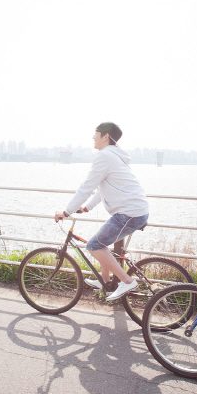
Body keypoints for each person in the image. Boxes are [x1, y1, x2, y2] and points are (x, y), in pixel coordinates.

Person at [55, 122, 149, 301]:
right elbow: (103, 188)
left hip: (129, 214)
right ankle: (105, 281)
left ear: (105, 137)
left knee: (93, 246)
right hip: (134, 211)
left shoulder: (105, 156)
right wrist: (87, 207)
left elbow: (86, 187)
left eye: (96, 133)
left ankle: (127, 281)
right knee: (101, 243)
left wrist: (66, 212)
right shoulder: (114, 156)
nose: (92, 137)